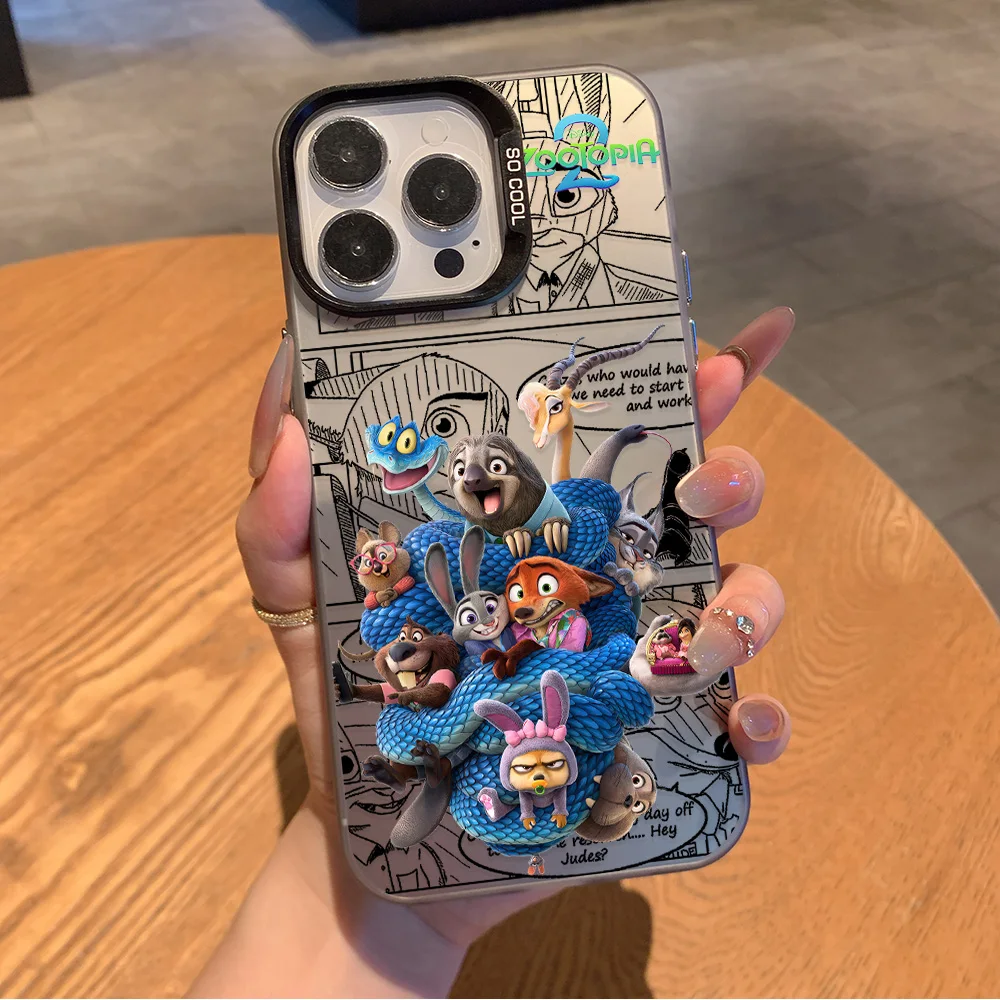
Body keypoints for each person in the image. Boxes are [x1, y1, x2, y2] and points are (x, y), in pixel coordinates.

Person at [188, 307, 796, 998]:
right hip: (490, 732)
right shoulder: (445, 574)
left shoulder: (572, 554)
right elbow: (434, 652)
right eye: (463, 469)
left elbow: (597, 609)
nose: (475, 477)